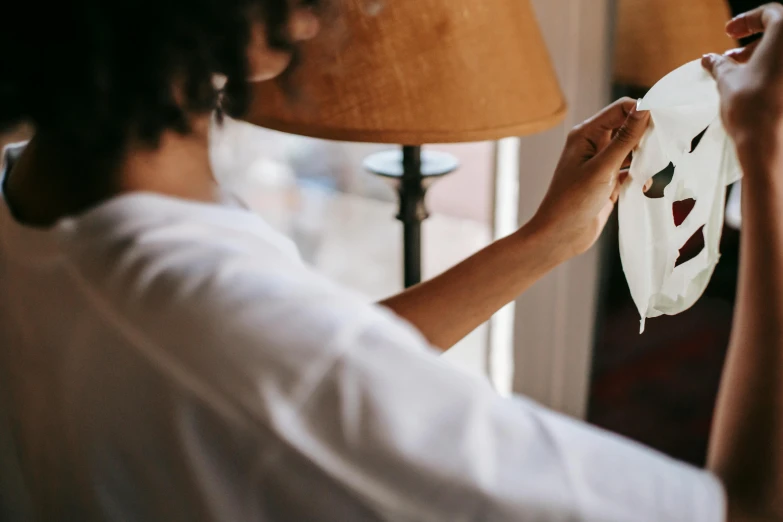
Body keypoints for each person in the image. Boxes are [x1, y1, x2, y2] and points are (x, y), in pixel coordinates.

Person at [0, 0, 780, 519]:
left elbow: (305, 364)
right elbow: (742, 508)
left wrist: (544, 240)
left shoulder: (39, 189)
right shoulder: (226, 338)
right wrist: (768, 161)